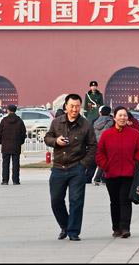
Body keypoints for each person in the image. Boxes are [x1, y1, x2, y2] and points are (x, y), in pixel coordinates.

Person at [44, 93, 97, 241]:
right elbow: (47, 138)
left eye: (77, 106)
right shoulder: (56, 123)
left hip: (76, 168)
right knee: (56, 200)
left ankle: (73, 232)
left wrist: (83, 165)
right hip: (58, 168)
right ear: (66, 106)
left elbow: (92, 147)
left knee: (76, 201)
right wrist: (56, 141)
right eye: (72, 106)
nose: (74, 109)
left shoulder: (86, 125)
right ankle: (65, 226)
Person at [95, 107, 139, 238]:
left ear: (128, 118)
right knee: (114, 201)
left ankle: (125, 228)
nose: (122, 118)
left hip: (128, 174)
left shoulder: (134, 134)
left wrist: (136, 163)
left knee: (125, 200)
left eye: (125, 116)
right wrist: (106, 166)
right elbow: (100, 153)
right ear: (114, 117)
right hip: (111, 174)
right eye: (120, 115)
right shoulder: (107, 134)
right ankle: (116, 228)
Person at [0, 104, 26, 185]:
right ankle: (16, 180)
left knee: (5, 163)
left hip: (5, 145)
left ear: (8, 110)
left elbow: (0, 133)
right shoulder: (19, 121)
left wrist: (1, 142)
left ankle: (5, 180)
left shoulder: (4, 121)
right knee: (16, 163)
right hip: (16, 145)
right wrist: (21, 142)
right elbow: (23, 133)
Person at [92, 105, 114, 186]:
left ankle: (103, 178)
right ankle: (98, 178)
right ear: (109, 113)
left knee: (103, 161)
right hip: (106, 144)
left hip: (97, 143)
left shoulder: (95, 122)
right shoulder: (111, 122)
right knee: (105, 161)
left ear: (100, 113)